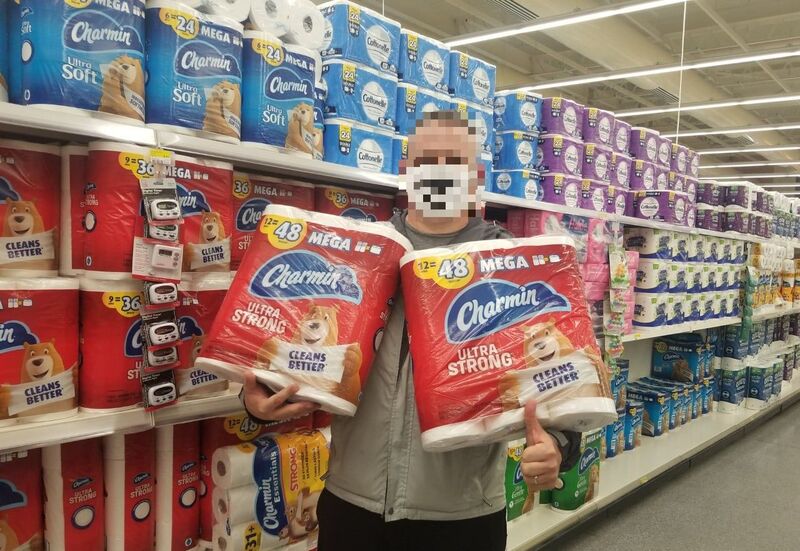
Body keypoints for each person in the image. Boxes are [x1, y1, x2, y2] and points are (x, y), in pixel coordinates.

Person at [241, 110, 582, 550]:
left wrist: (558, 446)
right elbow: (296, 340)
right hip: (352, 506)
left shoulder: (510, 264)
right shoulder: (360, 254)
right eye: (427, 162)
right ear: (405, 172)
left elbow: (566, 380)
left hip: (462, 517)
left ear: (476, 178)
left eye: (453, 164)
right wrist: (256, 399)